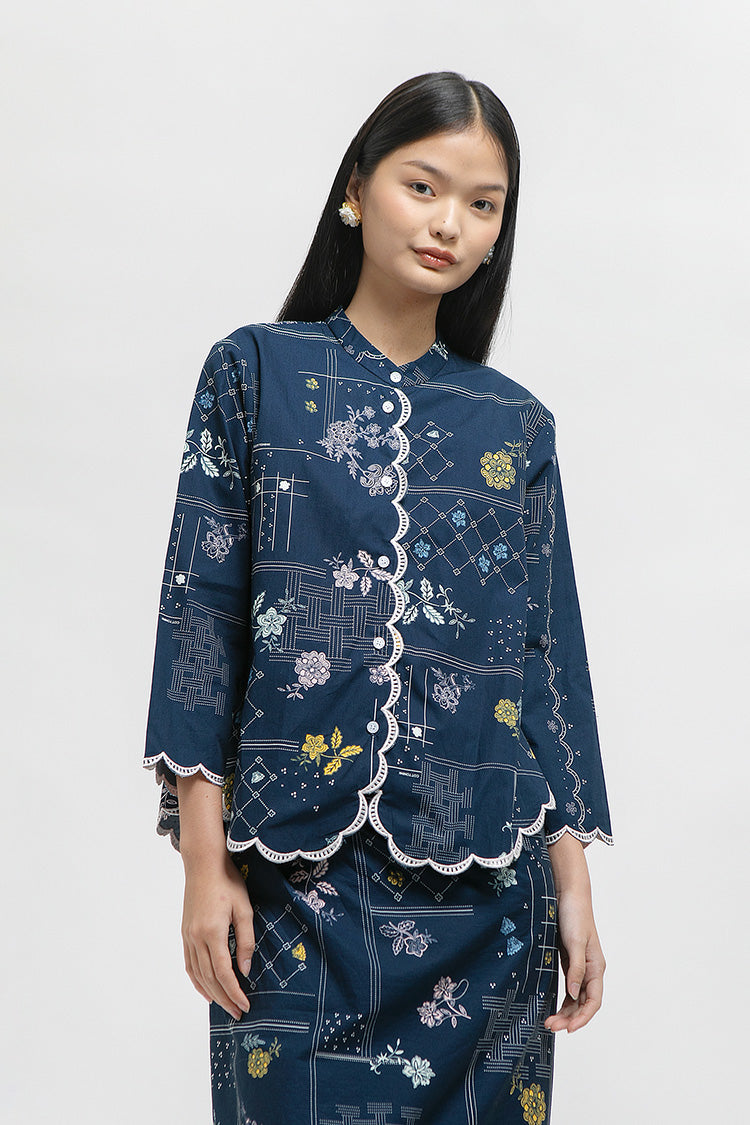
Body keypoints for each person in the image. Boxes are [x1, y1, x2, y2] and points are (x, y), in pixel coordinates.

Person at [143, 70, 613, 1125]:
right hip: (291, 893)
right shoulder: (254, 374)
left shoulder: (516, 427)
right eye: (423, 185)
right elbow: (201, 624)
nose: (449, 224)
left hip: (491, 907)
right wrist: (205, 868)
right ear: (356, 189)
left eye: (483, 204)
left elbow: (544, 657)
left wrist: (575, 887)